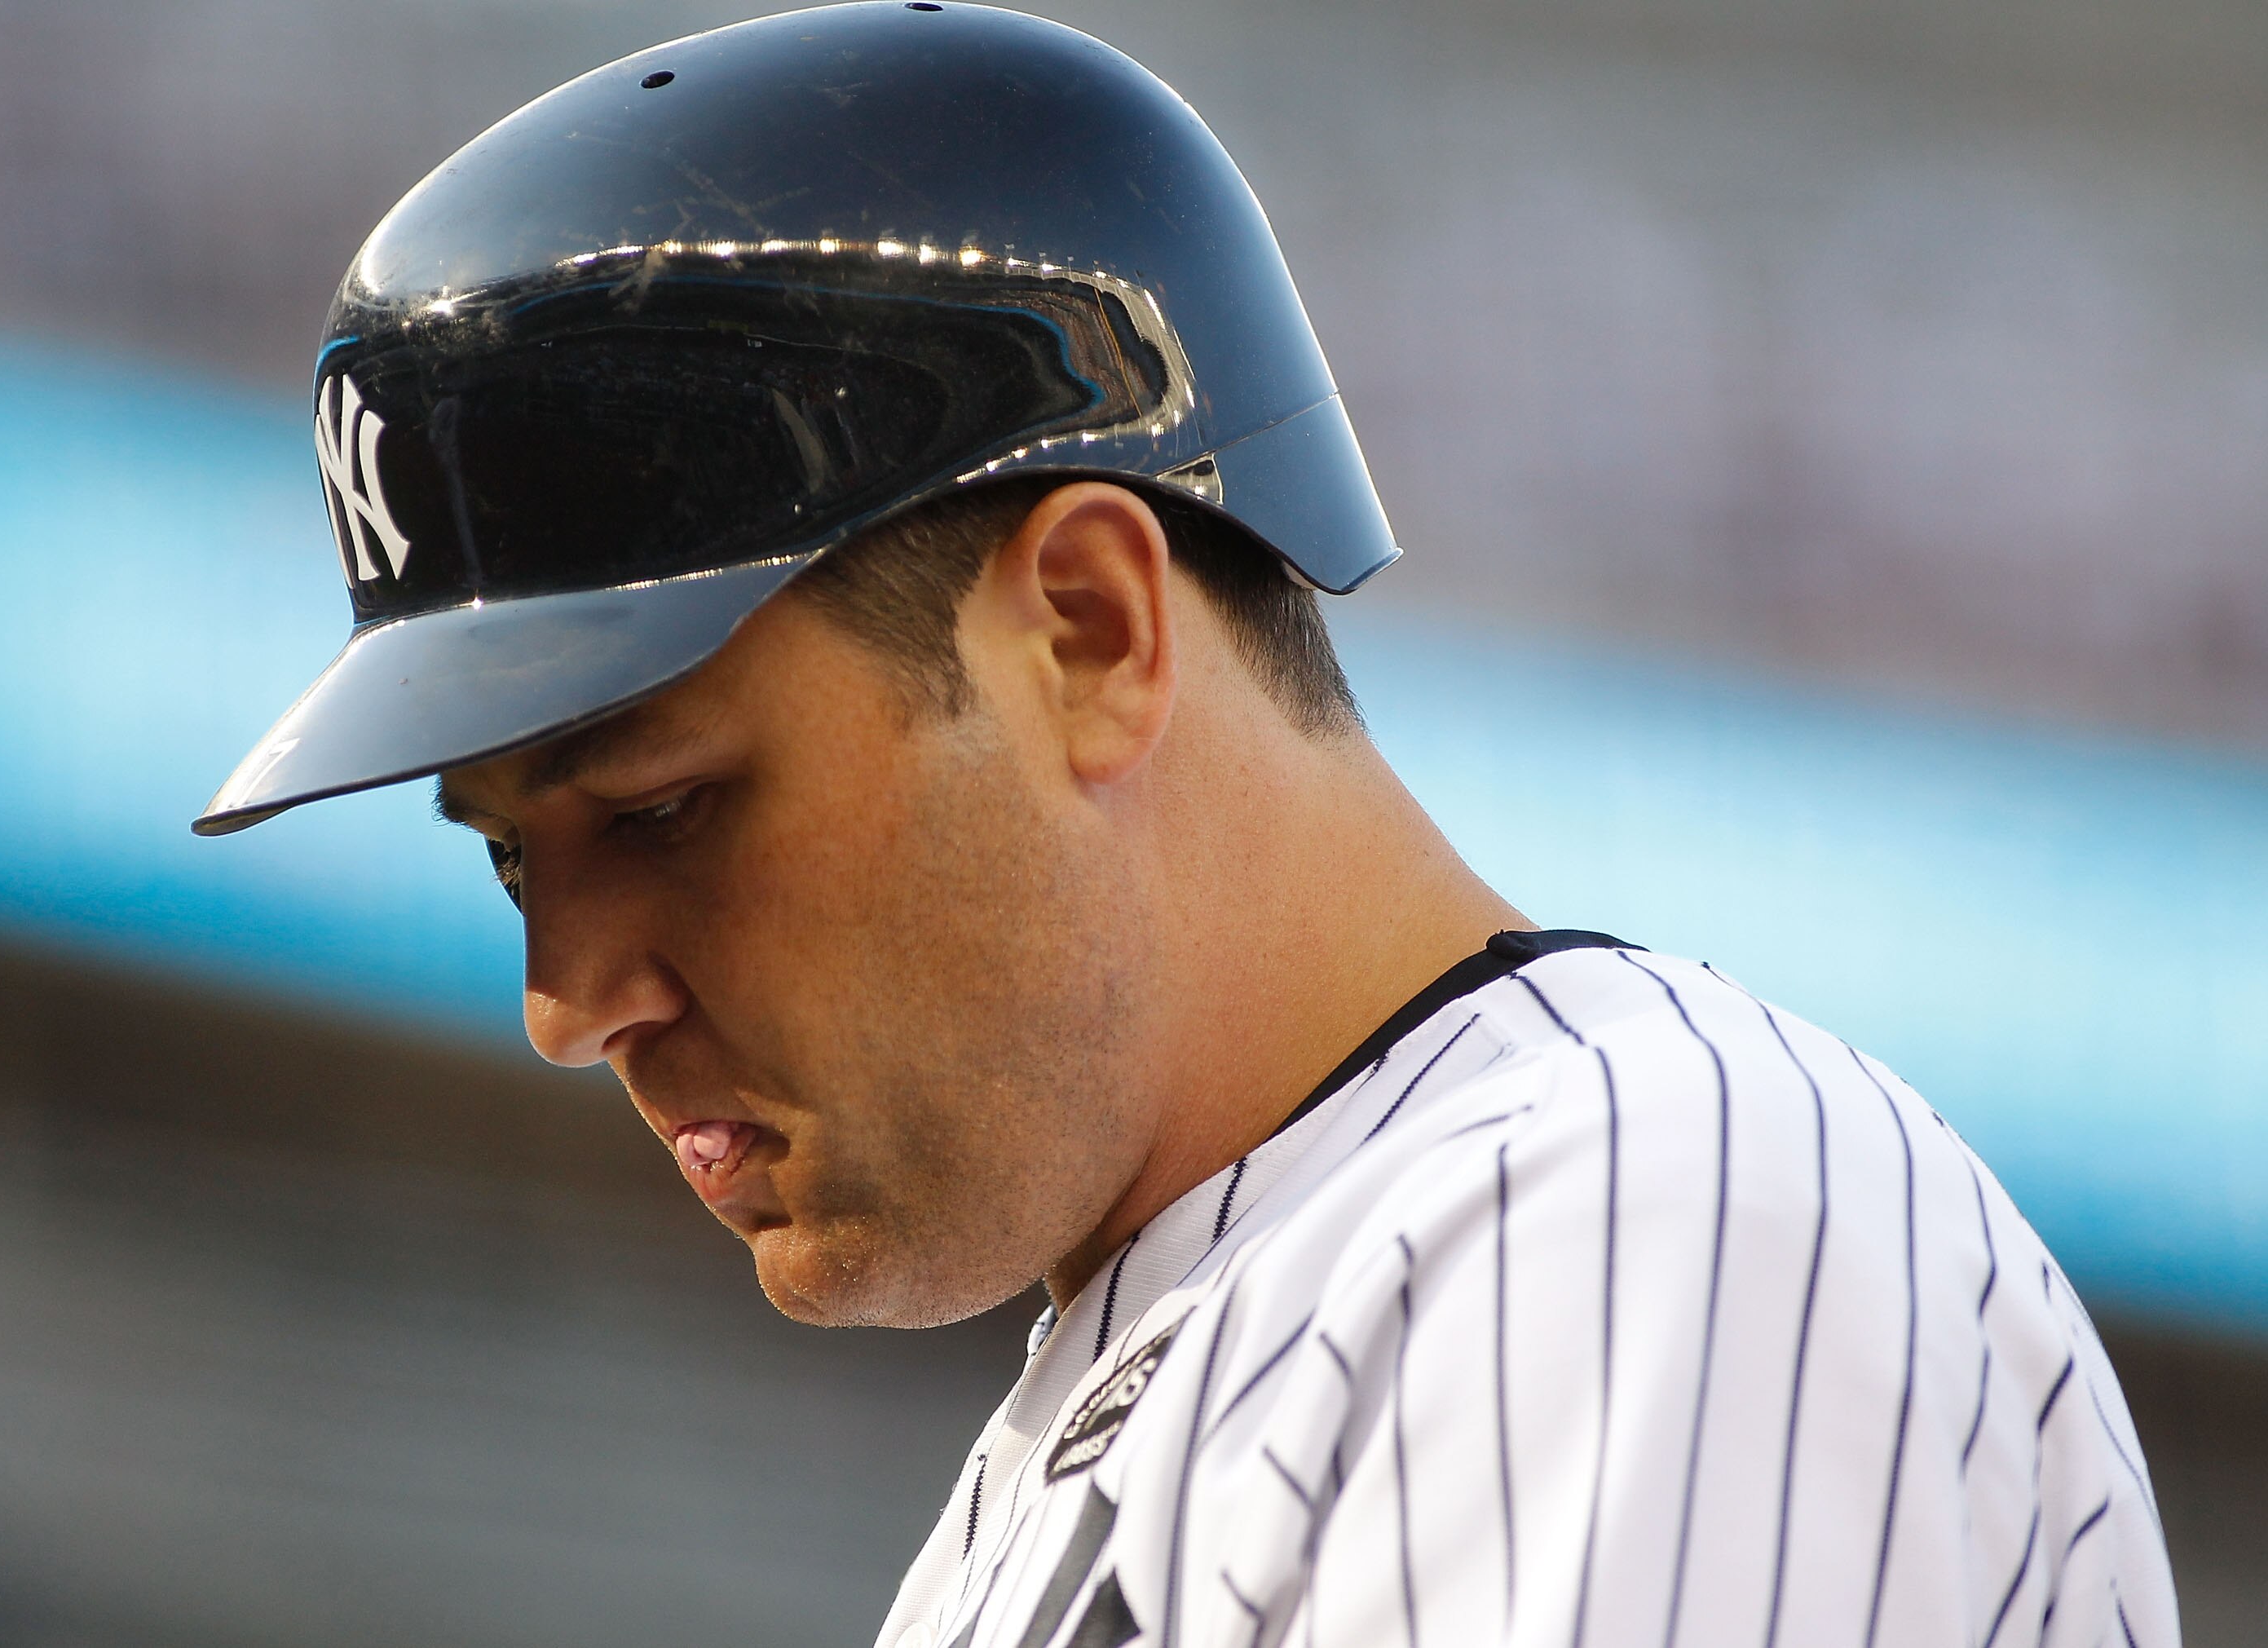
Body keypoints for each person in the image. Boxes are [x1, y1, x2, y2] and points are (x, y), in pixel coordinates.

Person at [196, 7, 2178, 1646]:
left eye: (664, 804)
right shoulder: (1195, 1355)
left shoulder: (1648, 1210)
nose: (569, 1000)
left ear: (1090, 629)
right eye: (517, 854)